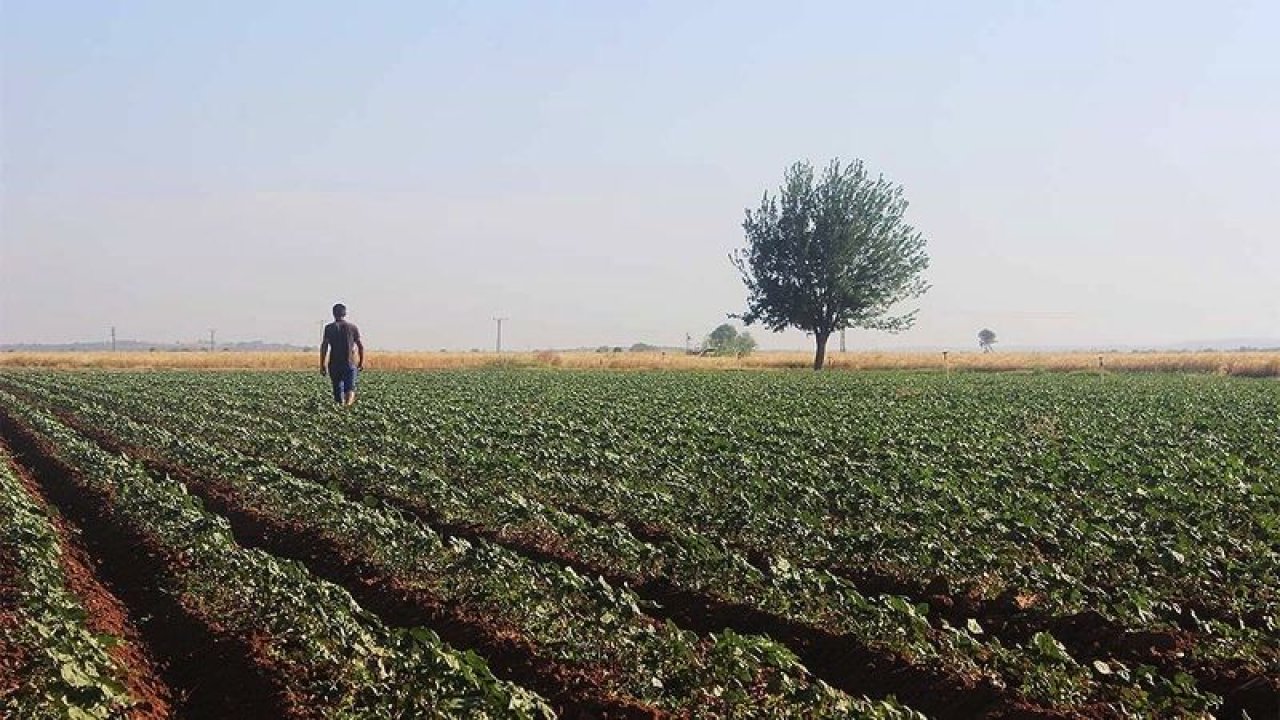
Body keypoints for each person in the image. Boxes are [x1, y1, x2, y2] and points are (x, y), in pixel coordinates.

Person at [320, 303, 364, 405]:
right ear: (345, 313)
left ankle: (340, 408)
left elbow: (324, 347)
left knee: (337, 389)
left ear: (333, 314)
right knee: (350, 388)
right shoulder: (353, 327)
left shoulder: (329, 328)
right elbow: (360, 346)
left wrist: (322, 364)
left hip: (334, 363)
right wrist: (361, 362)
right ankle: (347, 409)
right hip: (349, 363)